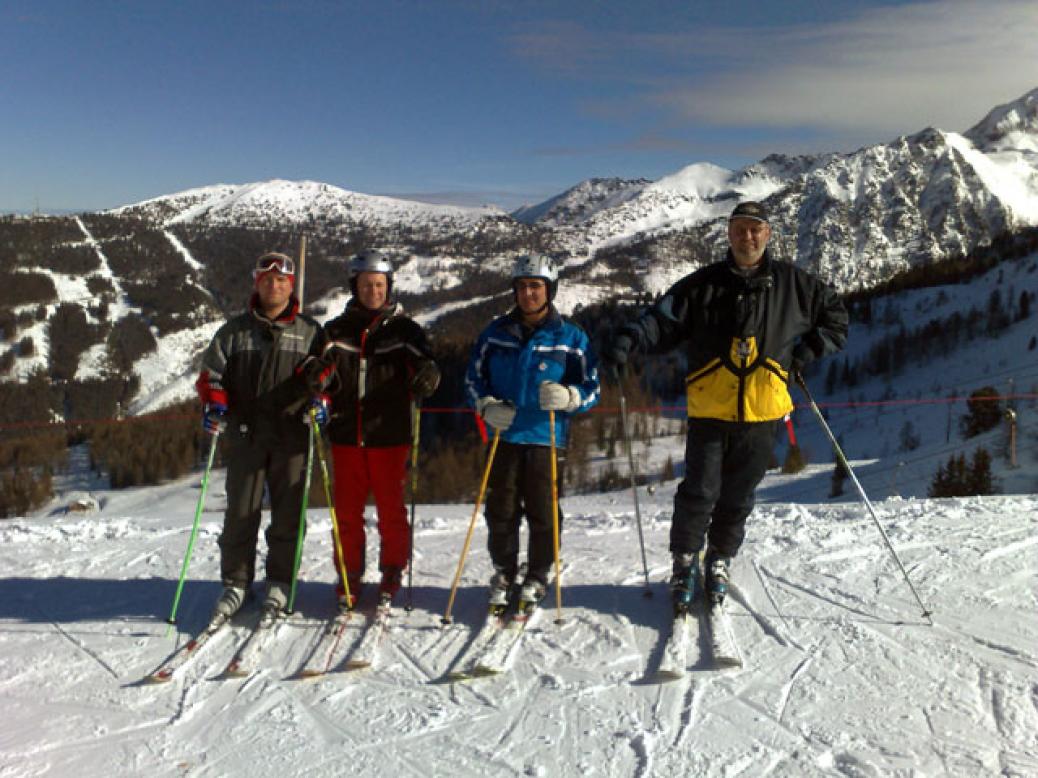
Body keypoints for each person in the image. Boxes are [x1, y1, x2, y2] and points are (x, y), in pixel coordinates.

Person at [606, 201, 848, 614]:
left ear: (767, 235)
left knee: (738, 495)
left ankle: (719, 558)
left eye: (755, 229)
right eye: (739, 229)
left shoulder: (796, 285)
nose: (747, 237)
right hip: (710, 409)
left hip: (763, 411)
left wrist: (807, 350)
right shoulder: (703, 285)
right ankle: (685, 564)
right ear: (728, 234)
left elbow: (837, 319)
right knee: (698, 491)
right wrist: (631, 338)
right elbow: (661, 321)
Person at [195, 251, 324, 623]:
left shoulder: (310, 332)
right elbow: (211, 376)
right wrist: (215, 404)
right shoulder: (233, 332)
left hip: (292, 435)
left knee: (288, 515)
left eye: (281, 280)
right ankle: (236, 582)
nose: (274, 285)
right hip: (247, 434)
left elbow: (328, 377)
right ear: (257, 282)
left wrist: (322, 400)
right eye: (267, 279)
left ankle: (281, 581)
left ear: (291, 285)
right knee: (241, 511)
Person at [465, 254, 600, 607]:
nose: (528, 294)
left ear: (549, 290)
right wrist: (485, 406)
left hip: (546, 436)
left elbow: (593, 388)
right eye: (523, 287)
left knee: (543, 509)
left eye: (536, 287)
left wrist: (571, 396)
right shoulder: (495, 334)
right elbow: (472, 379)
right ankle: (505, 570)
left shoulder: (570, 337)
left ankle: (539, 572)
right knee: (501, 508)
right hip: (504, 435)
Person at [310, 249, 440, 610]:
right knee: (347, 512)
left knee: (390, 509)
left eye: (380, 285)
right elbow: (322, 369)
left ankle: (393, 568)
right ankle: (349, 573)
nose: (374, 291)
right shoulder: (335, 331)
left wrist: (427, 376)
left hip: (389, 434)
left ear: (389, 287)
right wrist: (317, 384)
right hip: (346, 434)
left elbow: (426, 364)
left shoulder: (404, 330)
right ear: (355, 286)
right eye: (367, 284)